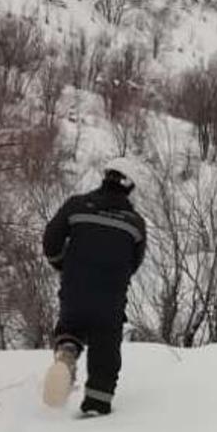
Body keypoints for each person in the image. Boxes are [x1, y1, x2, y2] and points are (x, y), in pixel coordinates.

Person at [41, 159, 147, 416]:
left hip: (75, 289)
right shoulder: (134, 222)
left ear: (105, 177)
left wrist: (65, 266)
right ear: (130, 186)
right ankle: (96, 406)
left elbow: (51, 240)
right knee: (105, 352)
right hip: (110, 298)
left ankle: (67, 353)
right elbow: (134, 262)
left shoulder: (76, 205)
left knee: (71, 328)